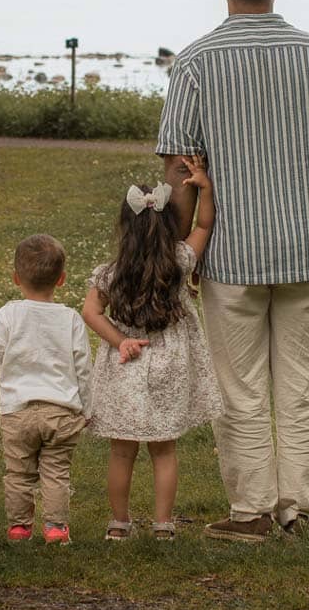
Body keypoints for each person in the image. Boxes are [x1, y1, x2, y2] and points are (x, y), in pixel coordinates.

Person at [157, 0, 309, 543]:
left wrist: (178, 249)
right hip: (304, 252)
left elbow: (178, 170)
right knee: (303, 387)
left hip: (228, 254)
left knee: (240, 387)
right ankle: (297, 509)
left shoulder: (195, 62)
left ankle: (250, 512)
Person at [81, 159, 223, 542]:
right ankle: (163, 525)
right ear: (167, 223)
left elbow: (90, 312)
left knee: (121, 452)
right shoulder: (179, 261)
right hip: (169, 368)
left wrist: (120, 340)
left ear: (125, 229)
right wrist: (205, 188)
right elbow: (204, 225)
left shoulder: (112, 273)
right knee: (164, 452)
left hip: (125, 364)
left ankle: (119, 524)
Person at [0, 234, 92, 546]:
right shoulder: (70, 319)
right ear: (62, 279)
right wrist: (87, 408)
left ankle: (18, 528)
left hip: (17, 413)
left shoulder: (8, 314)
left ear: (16, 278)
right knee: (56, 471)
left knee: (18, 472)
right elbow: (83, 367)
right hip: (61, 411)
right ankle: (55, 528)